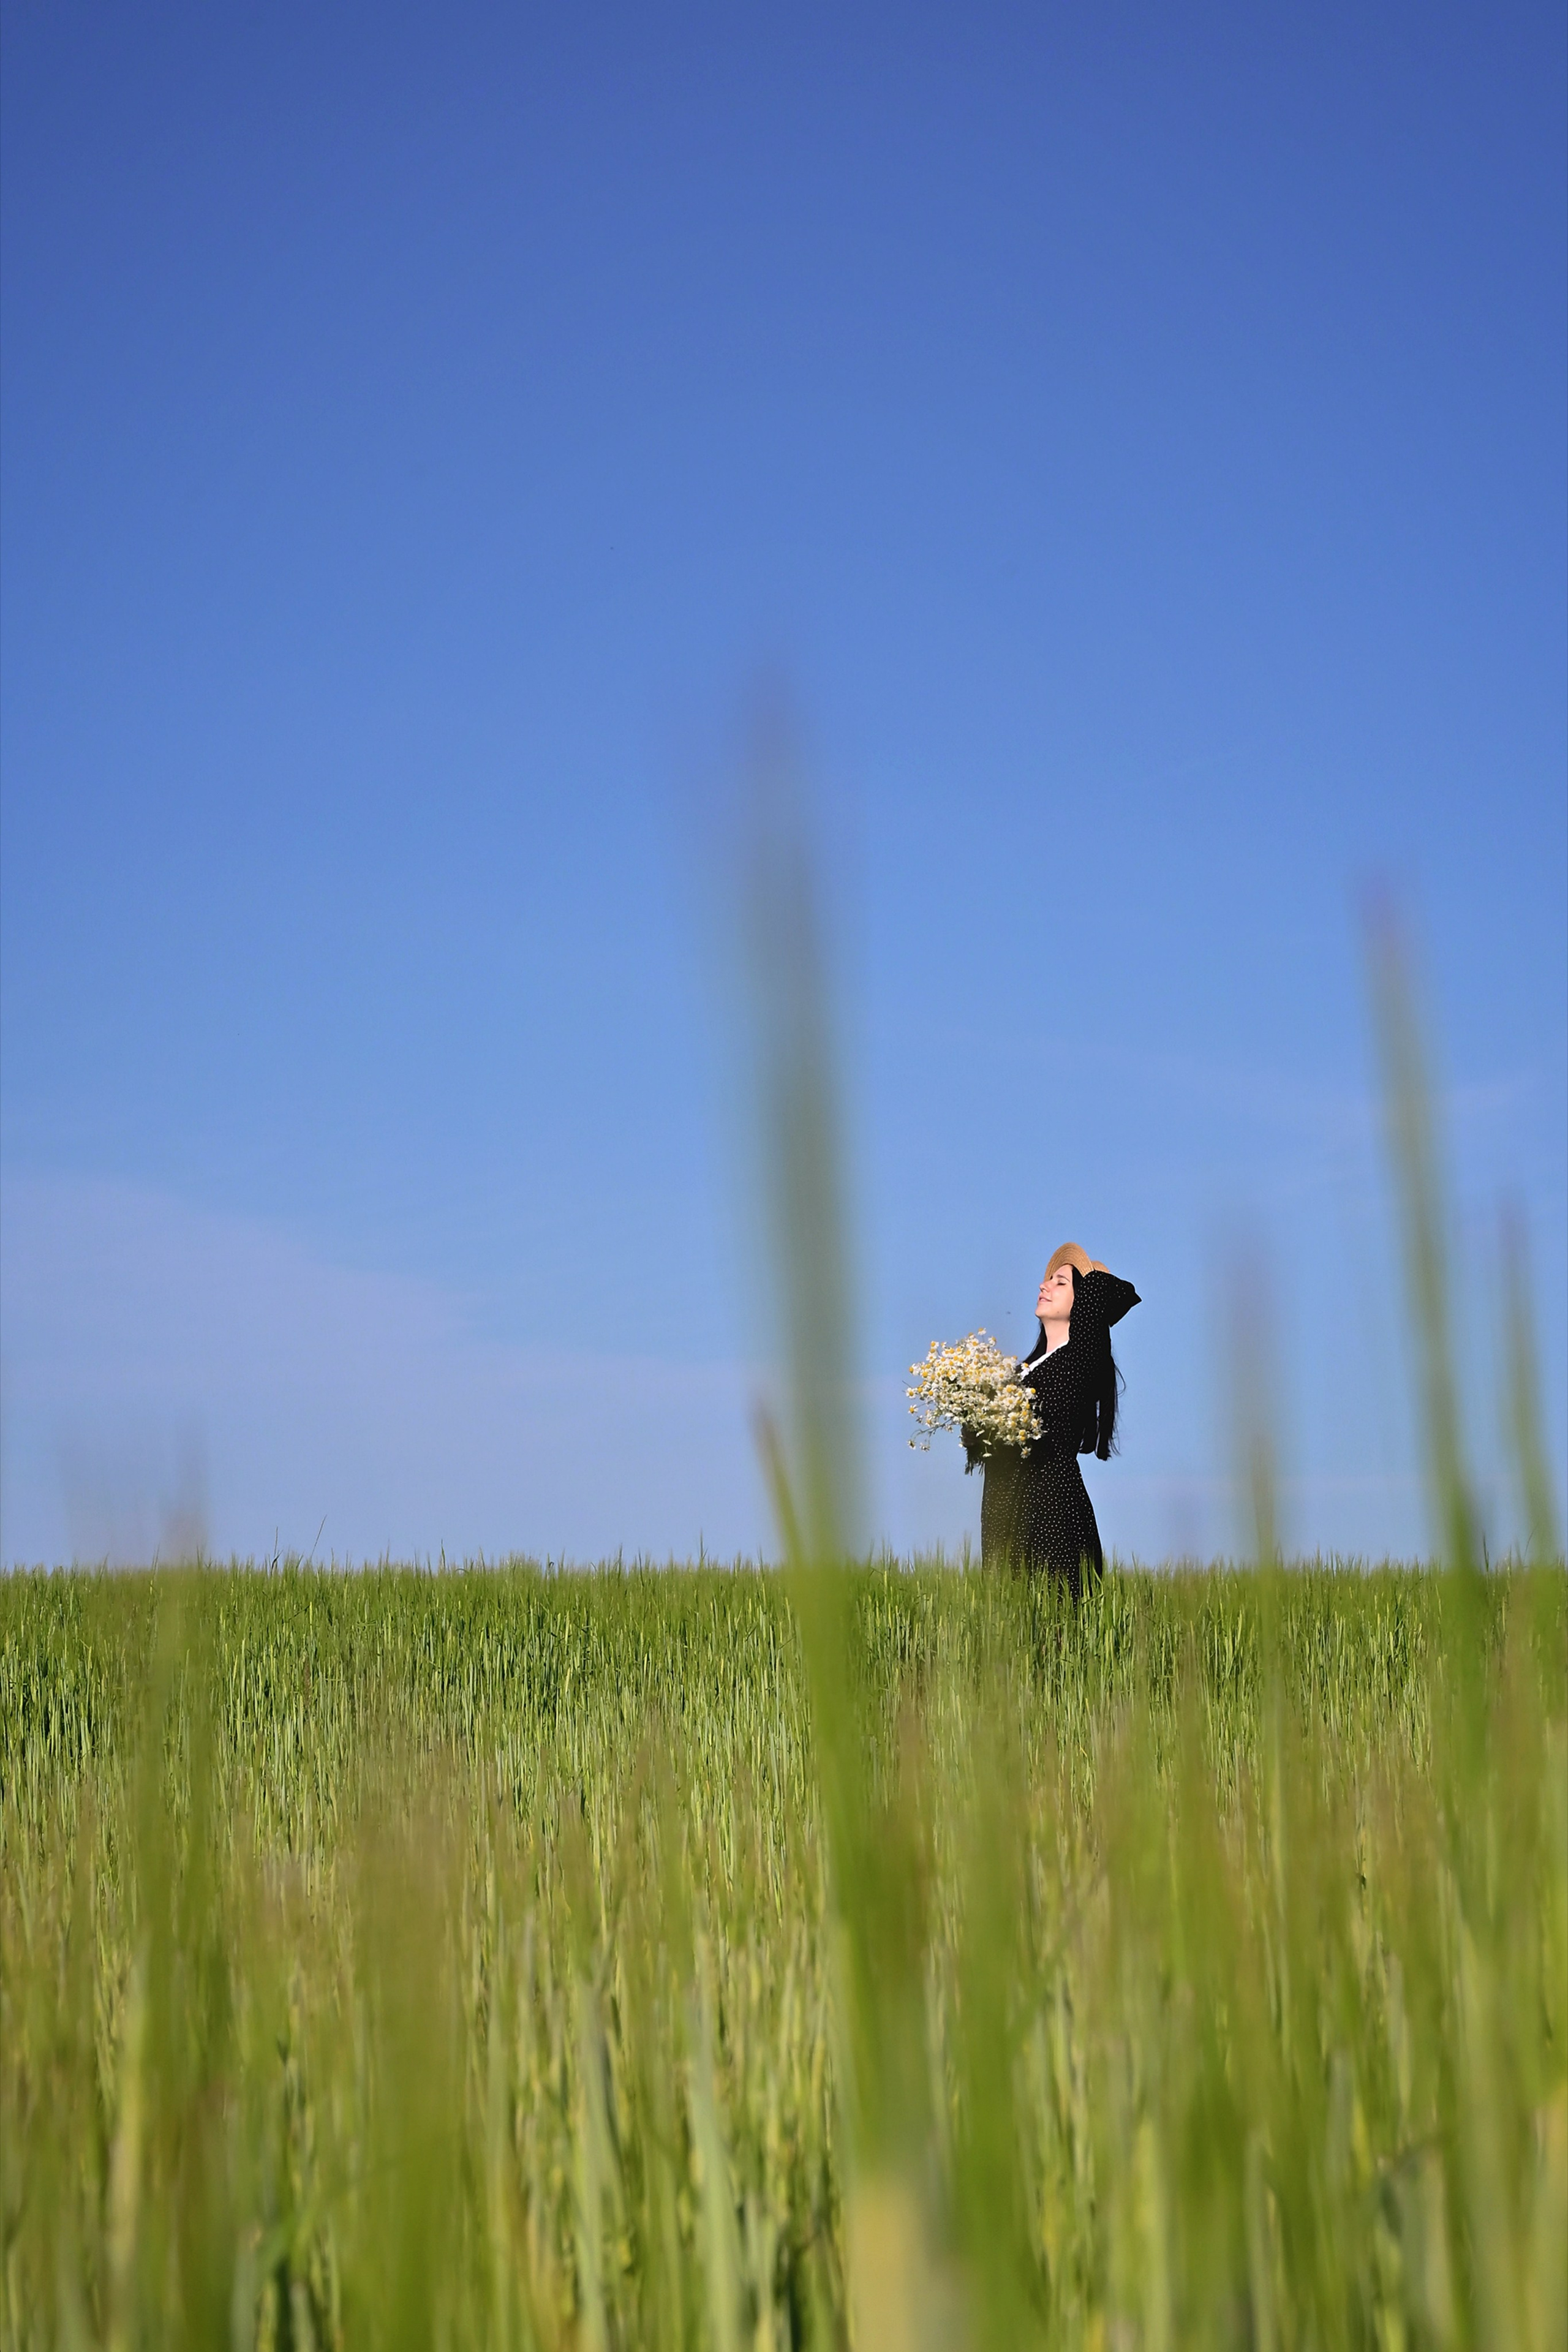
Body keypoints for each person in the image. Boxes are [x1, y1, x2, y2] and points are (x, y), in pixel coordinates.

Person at [967, 1243, 1140, 1593]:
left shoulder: (1080, 1356)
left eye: (1060, 1283)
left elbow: (1115, 1294)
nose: (1044, 1287)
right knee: (1011, 1633)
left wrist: (1089, 1276)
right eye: (1046, 1281)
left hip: (1052, 1510)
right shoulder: (1020, 1371)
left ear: (1084, 1301)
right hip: (1006, 1513)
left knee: (1055, 1628)